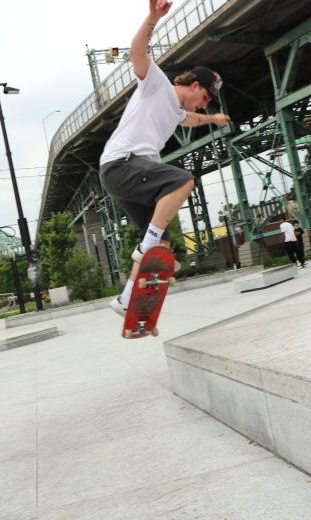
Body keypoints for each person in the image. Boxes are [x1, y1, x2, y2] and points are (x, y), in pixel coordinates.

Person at [102, 0, 231, 316]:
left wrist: (213, 120)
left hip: (124, 176)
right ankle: (146, 246)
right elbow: (137, 54)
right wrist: (152, 19)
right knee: (184, 181)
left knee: (162, 247)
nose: (204, 104)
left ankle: (126, 298)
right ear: (195, 84)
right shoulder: (156, 83)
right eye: (205, 98)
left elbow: (188, 118)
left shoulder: (176, 110)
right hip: (122, 164)